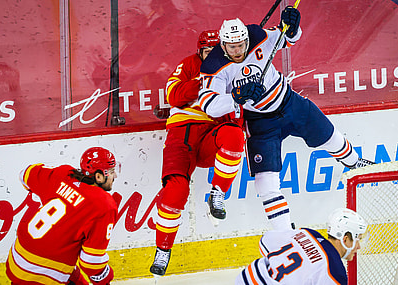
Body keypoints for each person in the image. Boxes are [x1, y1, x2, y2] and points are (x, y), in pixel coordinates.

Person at [198, 9, 374, 231]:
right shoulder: (213, 66)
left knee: (329, 134)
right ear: (223, 45)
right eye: (232, 47)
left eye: (241, 44)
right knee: (265, 181)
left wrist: (293, 26)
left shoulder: (256, 36)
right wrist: (236, 97)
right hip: (261, 122)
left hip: (289, 102)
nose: (238, 50)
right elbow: (209, 105)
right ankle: (283, 231)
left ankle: (353, 163)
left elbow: (287, 39)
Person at [150, 30, 246, 277]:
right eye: (207, 52)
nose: (211, 56)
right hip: (182, 133)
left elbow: (238, 115)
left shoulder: (236, 70)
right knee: (176, 190)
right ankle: (163, 249)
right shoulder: (190, 65)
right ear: (199, 51)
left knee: (235, 136)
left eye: (216, 51)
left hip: (211, 135)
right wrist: (202, 83)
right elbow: (172, 94)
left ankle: (217, 193)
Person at [6, 147, 119, 285]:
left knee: (78, 279)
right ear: (99, 176)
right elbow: (91, 263)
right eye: (112, 172)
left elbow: (24, 174)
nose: (115, 176)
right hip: (44, 274)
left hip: (16, 258)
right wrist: (106, 278)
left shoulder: (62, 173)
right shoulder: (103, 204)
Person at [236, 208, 368, 284]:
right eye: (358, 240)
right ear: (345, 239)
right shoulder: (336, 273)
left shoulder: (307, 233)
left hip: (246, 277)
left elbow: (265, 241)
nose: (358, 247)